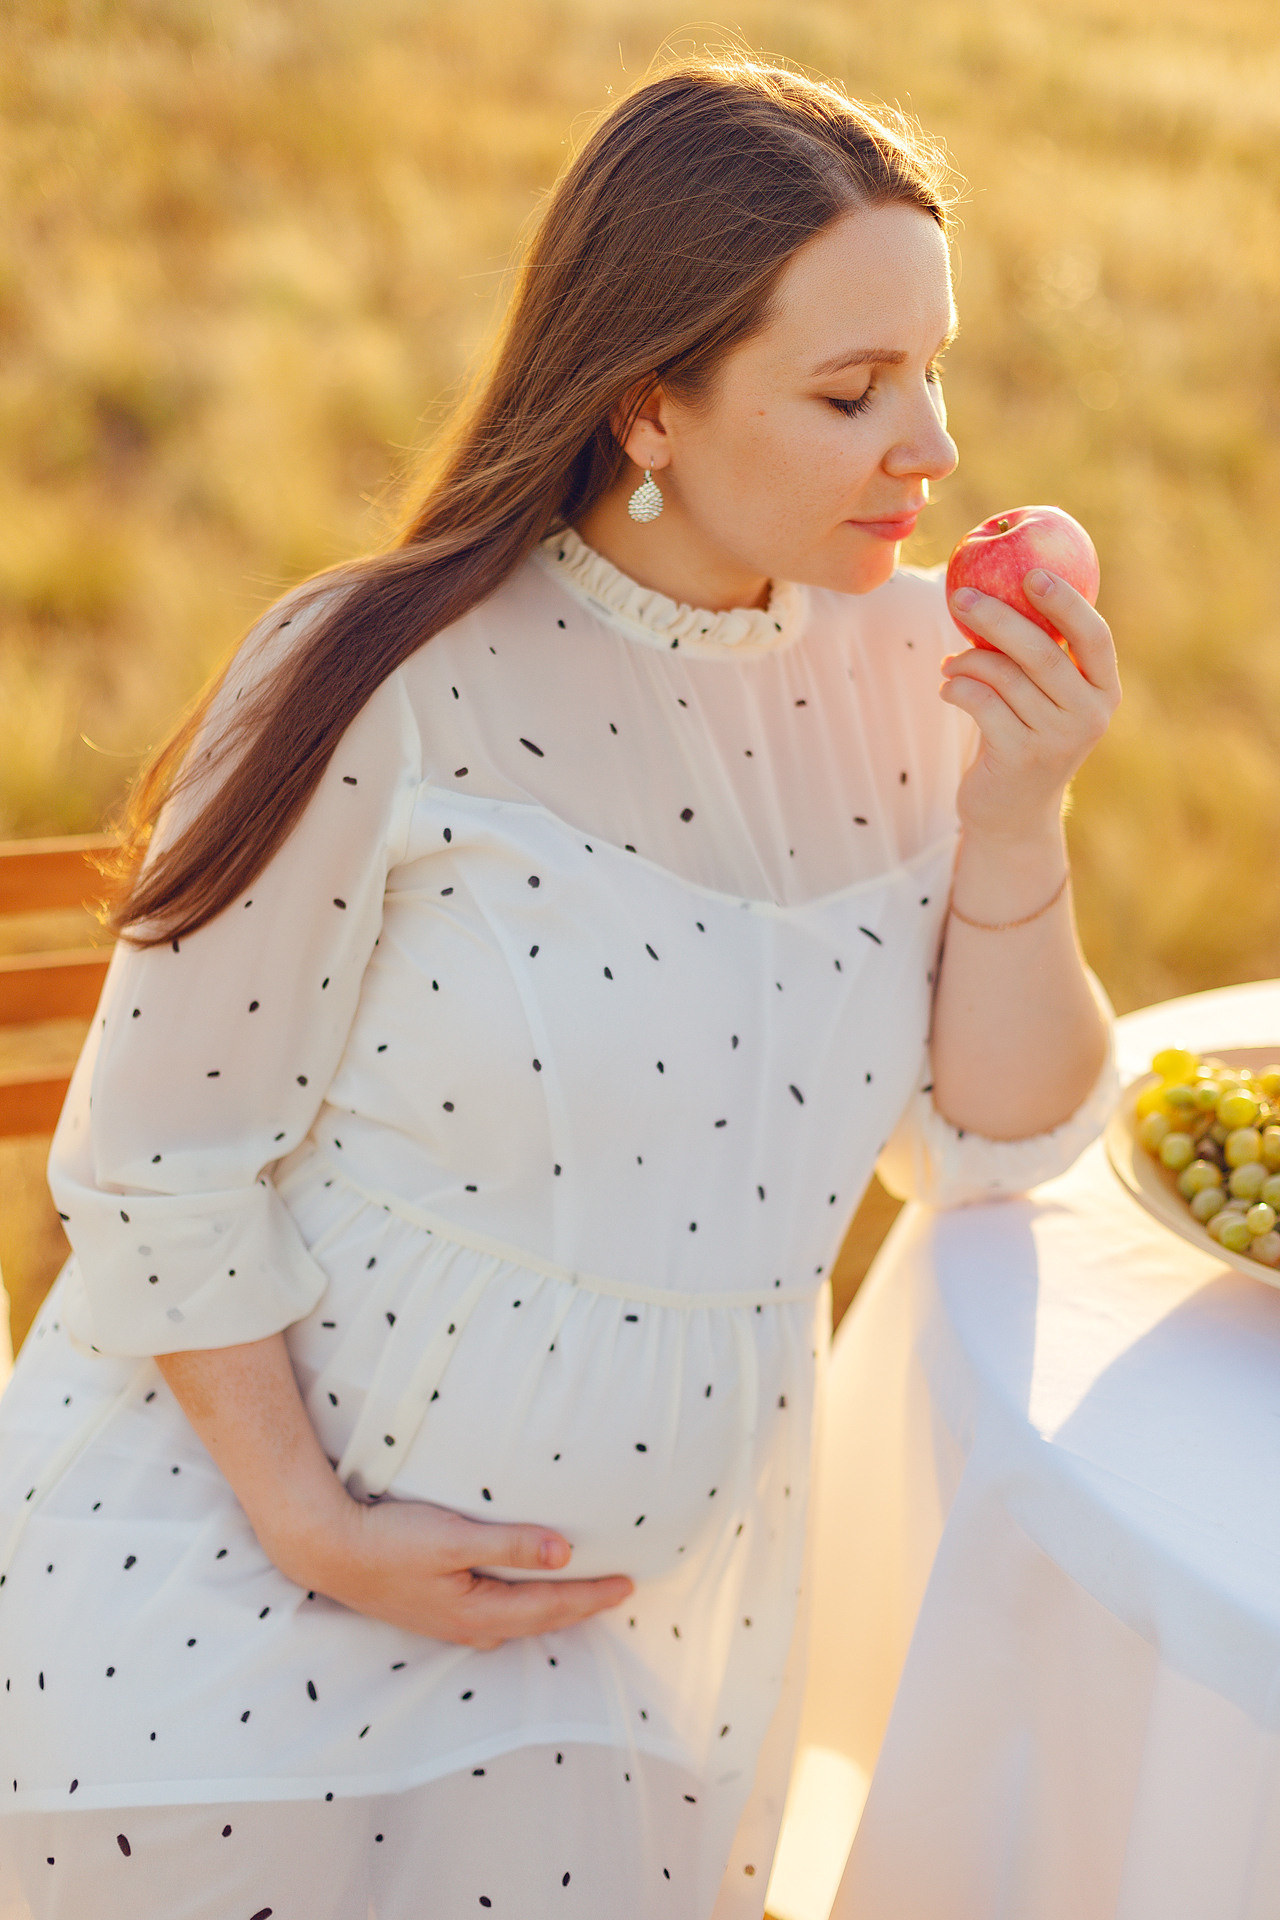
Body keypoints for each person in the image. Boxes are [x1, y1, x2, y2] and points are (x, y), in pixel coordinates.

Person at [0, 53, 1121, 1920]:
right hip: (237, 1564)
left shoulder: (925, 676)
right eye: (851, 391)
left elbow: (1000, 1153)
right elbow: (153, 1165)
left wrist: (1019, 821)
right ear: (648, 405)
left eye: (934, 369)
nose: (929, 445)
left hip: (632, 1644)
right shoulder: (378, 677)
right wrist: (321, 1528)